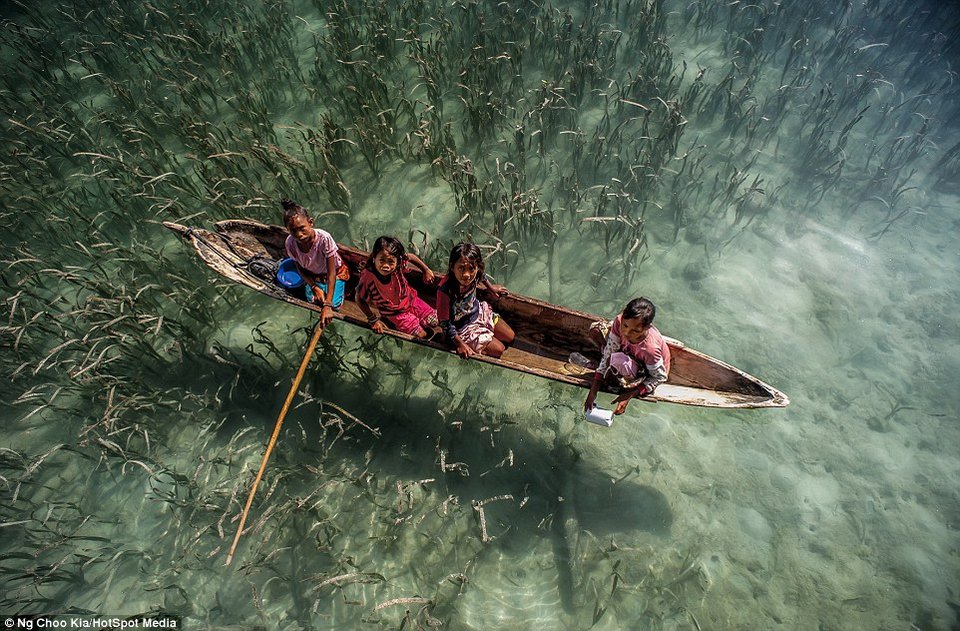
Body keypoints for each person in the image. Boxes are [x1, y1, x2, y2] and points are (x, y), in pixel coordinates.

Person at [583, 297, 671, 415]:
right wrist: (593, 391)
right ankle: (609, 363)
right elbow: (608, 353)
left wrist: (630, 395)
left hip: (646, 366)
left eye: (635, 331)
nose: (626, 333)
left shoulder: (650, 350)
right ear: (623, 316)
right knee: (595, 329)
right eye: (625, 325)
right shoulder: (619, 321)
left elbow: (659, 377)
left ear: (646, 328)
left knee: (618, 360)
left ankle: (616, 369)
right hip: (628, 351)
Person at [436, 242, 515, 359]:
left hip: (478, 313)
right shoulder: (445, 290)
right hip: (460, 328)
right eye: (461, 268)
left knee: (511, 336)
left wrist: (492, 289)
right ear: (452, 267)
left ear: (477, 268)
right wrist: (460, 344)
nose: (467, 275)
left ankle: (483, 336)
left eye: (471, 268)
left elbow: (481, 275)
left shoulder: (476, 274)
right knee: (499, 350)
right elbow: (445, 324)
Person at [281, 199, 349, 326]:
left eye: (302, 228)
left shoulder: (324, 239)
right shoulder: (290, 242)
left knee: (334, 306)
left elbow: (331, 272)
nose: (299, 235)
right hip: (313, 276)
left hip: (335, 273)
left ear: (311, 222)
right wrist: (314, 286)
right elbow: (299, 267)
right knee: (313, 301)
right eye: (293, 231)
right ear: (288, 230)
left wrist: (328, 305)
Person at [355, 236, 439, 339]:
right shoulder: (368, 277)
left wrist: (426, 270)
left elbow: (411, 256)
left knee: (435, 321)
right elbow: (359, 299)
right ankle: (389, 320)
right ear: (374, 258)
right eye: (382, 260)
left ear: (397, 261)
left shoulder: (399, 264)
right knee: (421, 335)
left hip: (412, 300)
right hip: (394, 313)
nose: (386, 266)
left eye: (390, 262)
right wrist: (373, 320)